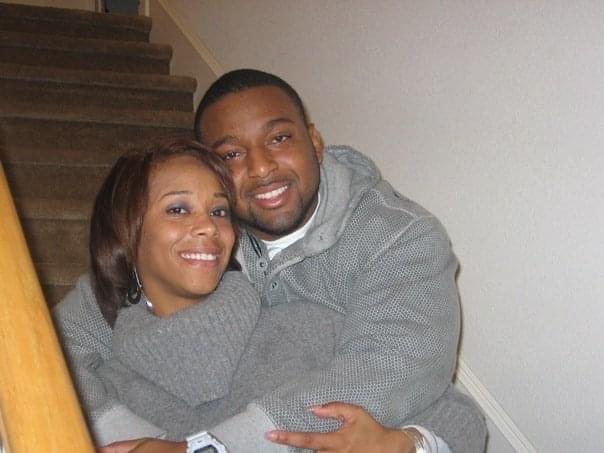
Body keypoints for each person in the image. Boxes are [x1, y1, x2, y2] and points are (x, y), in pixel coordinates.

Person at [55, 70, 487, 453]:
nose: (261, 168)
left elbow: (392, 369)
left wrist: (208, 448)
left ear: (315, 141)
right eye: (231, 154)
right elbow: (58, 344)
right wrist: (126, 439)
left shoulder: (398, 237)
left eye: (279, 139)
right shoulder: (198, 243)